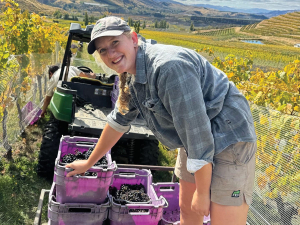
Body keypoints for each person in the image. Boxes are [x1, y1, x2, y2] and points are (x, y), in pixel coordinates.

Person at [66, 16, 257, 225]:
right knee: (188, 212)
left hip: (228, 136)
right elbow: (118, 121)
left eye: (115, 43)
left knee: (222, 219)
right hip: (193, 137)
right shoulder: (132, 73)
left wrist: (203, 193)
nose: (110, 54)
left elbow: (198, 136)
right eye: (103, 50)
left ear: (133, 39)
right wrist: (89, 163)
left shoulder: (168, 69)